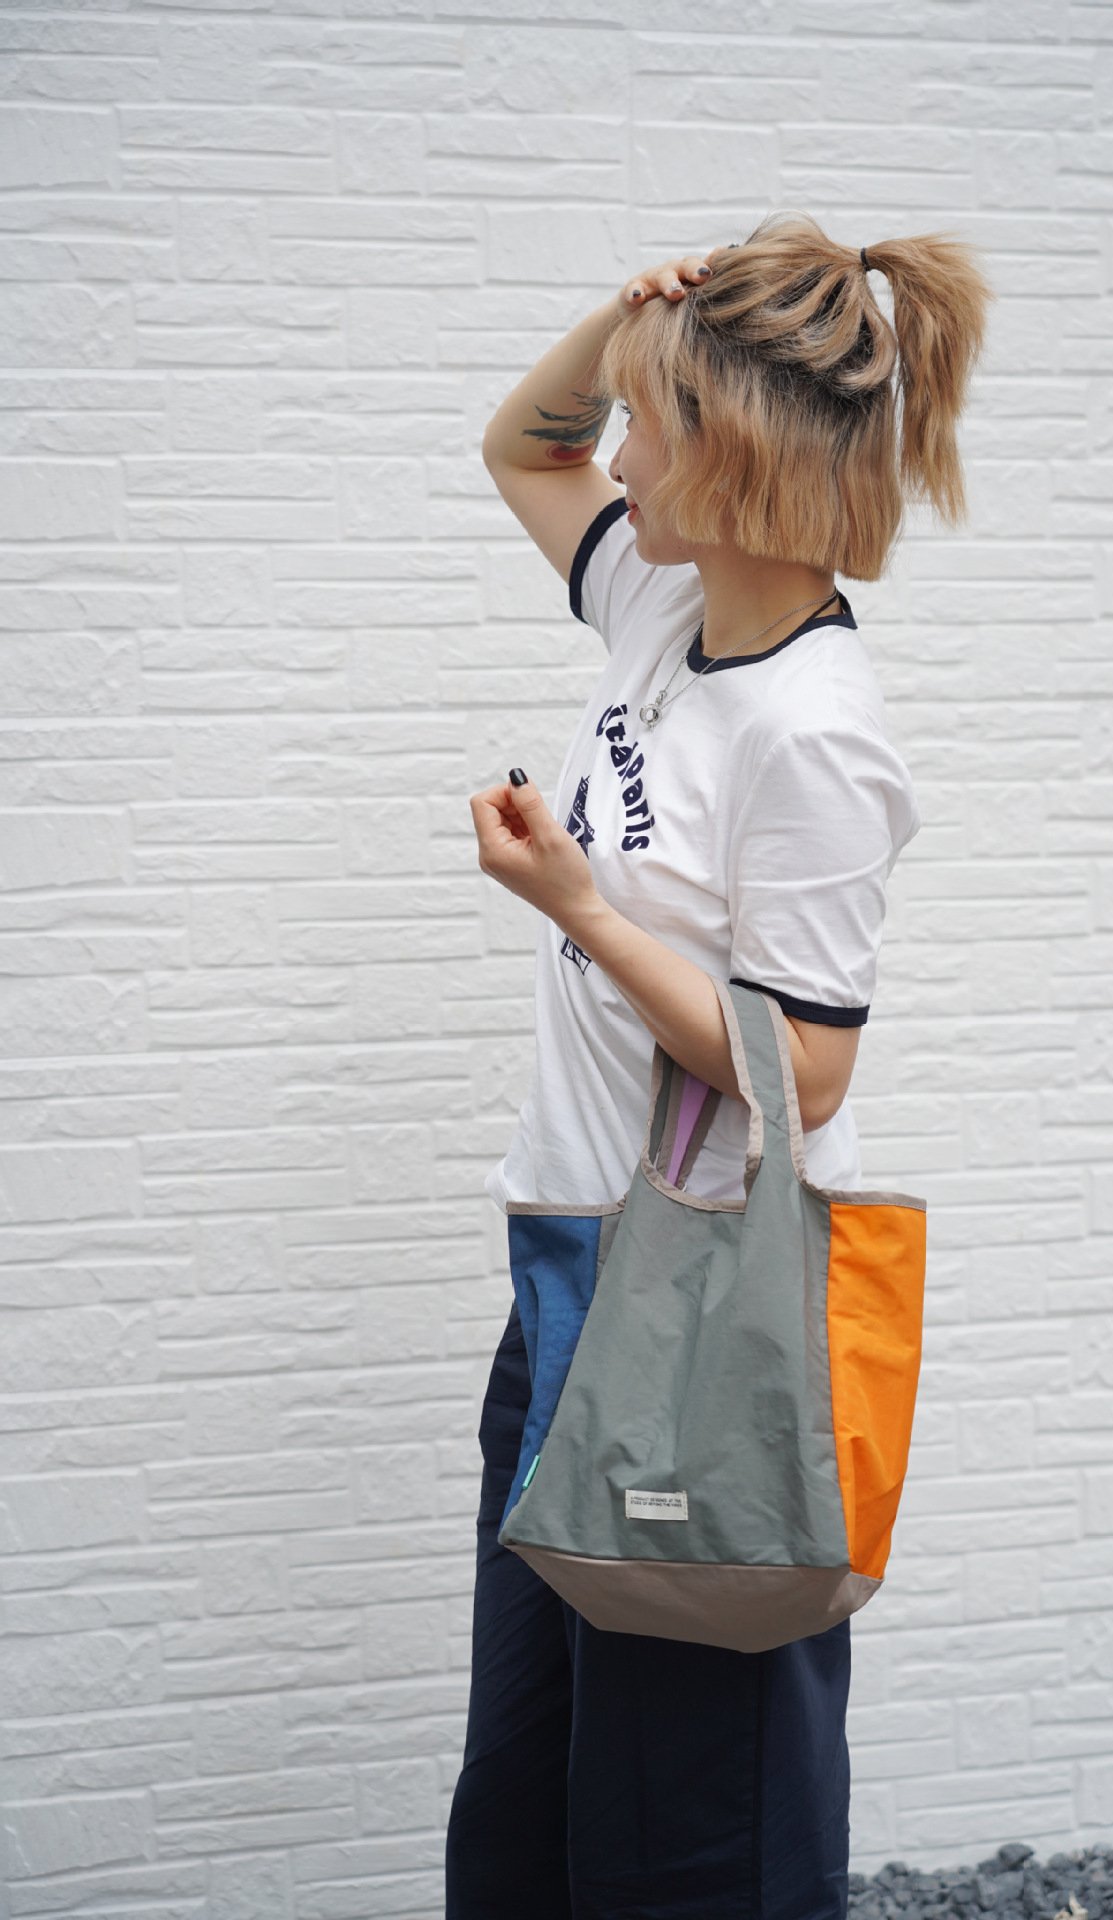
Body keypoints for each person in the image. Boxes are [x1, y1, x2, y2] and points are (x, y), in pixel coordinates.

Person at [447, 210, 993, 1920]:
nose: (615, 456)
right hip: (570, 1279)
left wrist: (581, 911)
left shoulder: (815, 733)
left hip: (706, 1320)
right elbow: (522, 445)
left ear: (735, 451)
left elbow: (804, 1075)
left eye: (650, 420)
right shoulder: (661, 606)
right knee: (526, 1790)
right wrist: (623, 316)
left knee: (697, 1830)